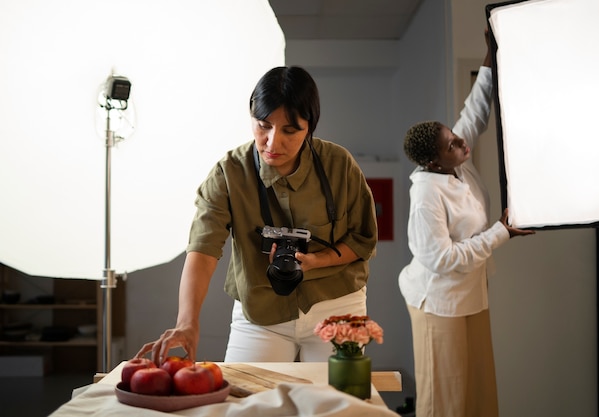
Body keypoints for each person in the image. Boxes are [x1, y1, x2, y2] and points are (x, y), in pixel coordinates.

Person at [136, 66, 378, 365]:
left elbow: (362, 238)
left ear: (310, 126)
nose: (273, 143)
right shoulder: (229, 173)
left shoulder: (339, 165)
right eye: (263, 125)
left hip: (337, 303)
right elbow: (202, 249)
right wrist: (188, 322)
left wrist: (317, 261)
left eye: (290, 130)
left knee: (335, 406)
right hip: (261, 310)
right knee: (246, 405)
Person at [398, 31, 535, 417]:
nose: (461, 142)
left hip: (472, 293)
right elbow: (441, 259)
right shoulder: (426, 194)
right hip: (438, 302)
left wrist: (490, 56)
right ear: (434, 162)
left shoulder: (457, 162)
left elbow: (474, 111)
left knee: (478, 393)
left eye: (454, 136)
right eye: (452, 144)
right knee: (446, 402)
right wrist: (500, 232)